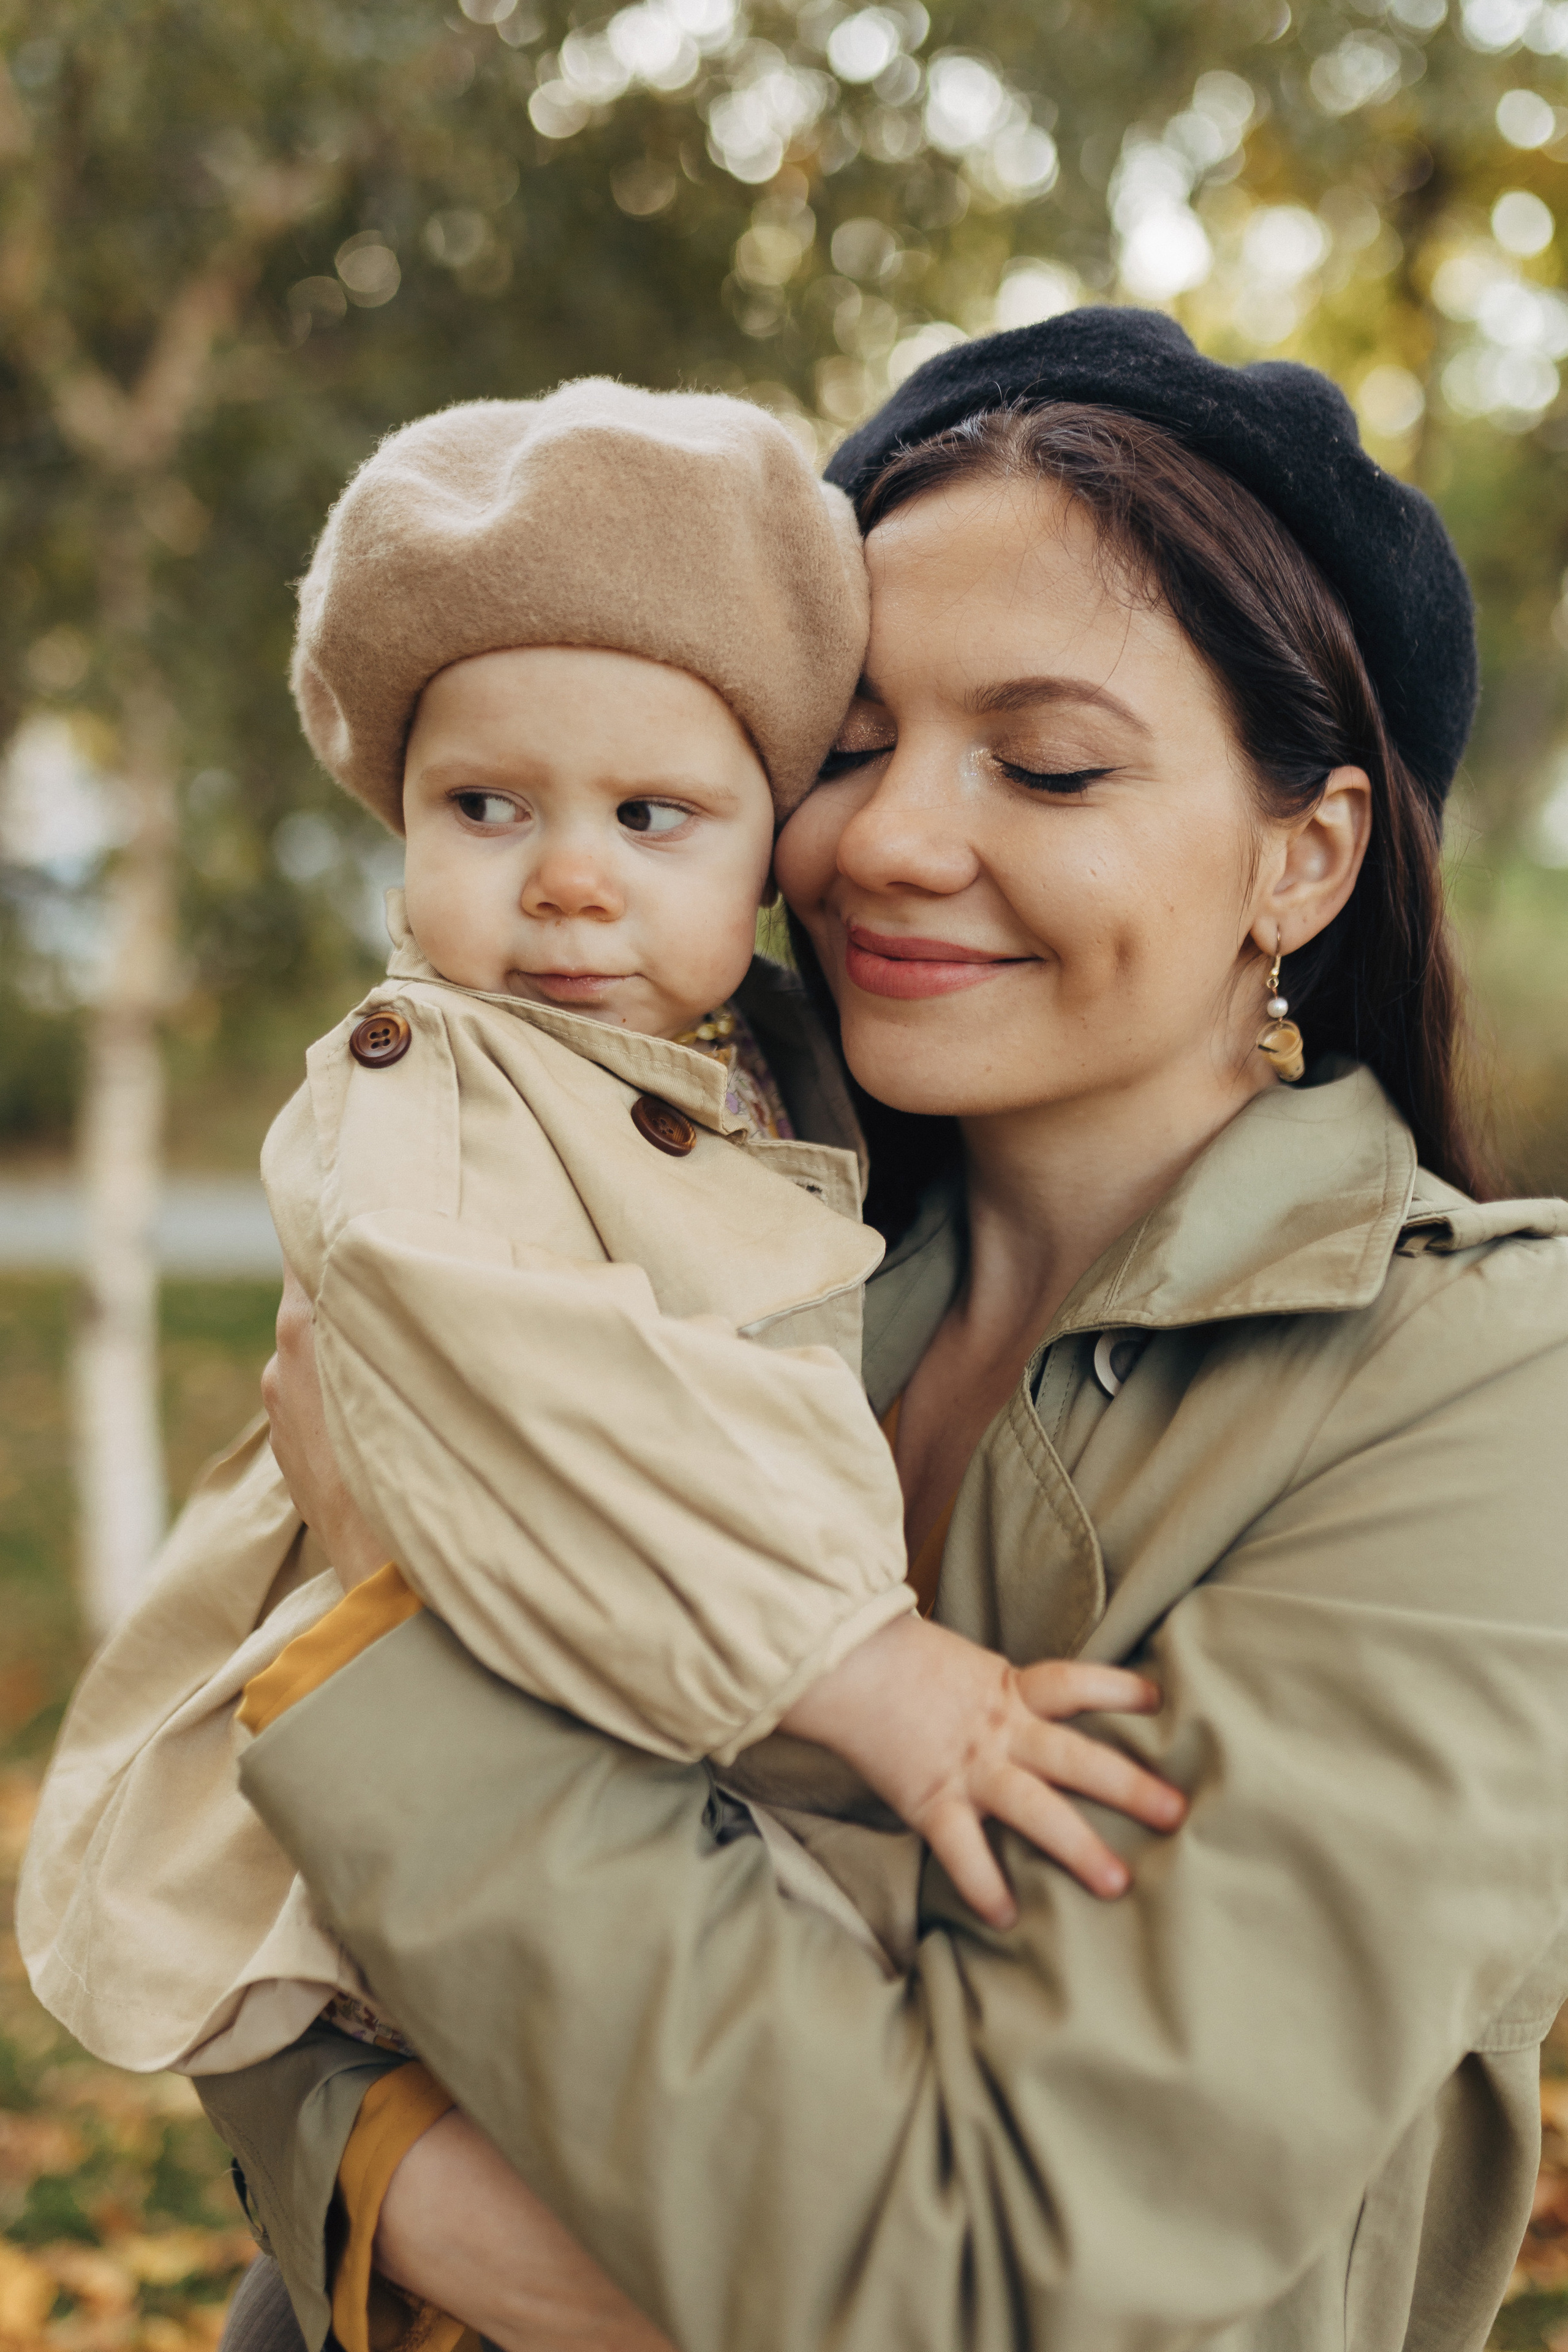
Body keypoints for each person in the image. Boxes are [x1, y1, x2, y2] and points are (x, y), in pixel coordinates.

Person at [214, 312, 1568, 2351]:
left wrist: (386, 1673)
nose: (884, 843)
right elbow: (235, 1946)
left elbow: (995, 2277)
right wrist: (387, 2170)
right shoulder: (654, 1233)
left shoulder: (1480, 1396)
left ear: (1305, 855)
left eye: (1044, 763)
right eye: (843, 746)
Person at [20, 380, 1178, 2103]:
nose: (567, 881)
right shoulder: (430, 1086)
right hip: (449, 1769)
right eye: (487, 808)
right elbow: (546, 1397)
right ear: (399, 827)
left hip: (634, 1750)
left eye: (651, 818)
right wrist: (871, 1675)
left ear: (765, 851)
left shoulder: (769, 1066)